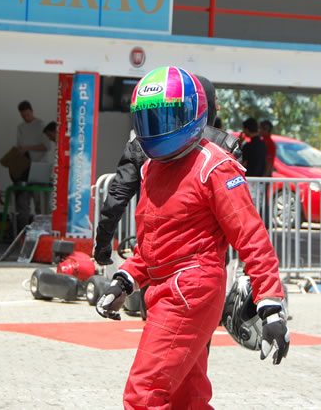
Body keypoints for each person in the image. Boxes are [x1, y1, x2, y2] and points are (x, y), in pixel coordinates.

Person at [95, 67, 289, 408]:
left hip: (190, 291)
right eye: (149, 120)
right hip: (165, 290)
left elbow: (251, 237)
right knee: (188, 398)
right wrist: (124, 281)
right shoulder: (151, 168)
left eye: (166, 117)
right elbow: (155, 241)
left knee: (144, 394)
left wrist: (271, 306)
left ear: (193, 112)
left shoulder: (214, 166)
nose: (157, 128)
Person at [93, 74, 241, 266]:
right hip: (203, 259)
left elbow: (116, 199)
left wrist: (102, 243)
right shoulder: (225, 144)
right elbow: (239, 215)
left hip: (155, 254)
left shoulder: (140, 145)